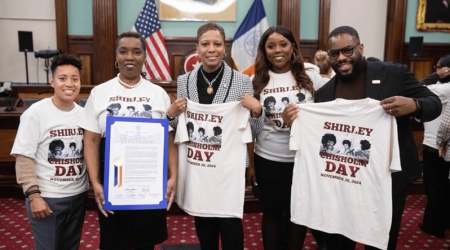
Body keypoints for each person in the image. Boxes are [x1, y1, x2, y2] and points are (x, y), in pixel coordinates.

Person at [283, 25, 441, 250]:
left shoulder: (394, 74)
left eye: (347, 50)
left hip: (387, 178)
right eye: (334, 54)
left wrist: (413, 105)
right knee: (339, 237)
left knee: (382, 240)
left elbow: (434, 104)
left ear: (361, 47)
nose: (341, 58)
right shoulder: (325, 93)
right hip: (342, 180)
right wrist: (295, 121)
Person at [166, 22, 263, 250]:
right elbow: (179, 126)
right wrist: (170, 115)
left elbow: (253, 131)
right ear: (196, 48)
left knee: (231, 227)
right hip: (199, 166)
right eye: (205, 44)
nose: (212, 49)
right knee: (204, 225)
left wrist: (257, 111)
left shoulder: (242, 81)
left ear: (225, 48)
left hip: (230, 167)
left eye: (217, 44)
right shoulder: (184, 81)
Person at [77, 31, 177, 250]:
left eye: (136, 51)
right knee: (114, 242)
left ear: (144, 58)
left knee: (145, 242)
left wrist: (173, 176)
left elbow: (168, 138)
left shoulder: (158, 93)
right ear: (116, 57)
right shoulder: (99, 92)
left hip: (148, 178)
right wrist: (95, 182)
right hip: (114, 182)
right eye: (124, 51)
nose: (130, 56)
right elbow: (91, 142)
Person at [241, 26, 323, 250]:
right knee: (271, 213)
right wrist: (251, 166)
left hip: (302, 160)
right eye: (271, 46)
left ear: (293, 48)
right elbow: (249, 128)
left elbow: (326, 116)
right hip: (268, 159)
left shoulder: (311, 76)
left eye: (283, 44)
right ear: (264, 50)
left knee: (298, 213)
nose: (277, 50)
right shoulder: (255, 81)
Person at [11, 54, 88, 250]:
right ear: (52, 82)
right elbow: (24, 157)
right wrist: (34, 196)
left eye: (75, 79)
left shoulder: (84, 115)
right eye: (62, 78)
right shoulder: (35, 114)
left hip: (78, 196)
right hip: (47, 198)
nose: (69, 84)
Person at [419, 54, 450, 239]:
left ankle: (433, 225)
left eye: (438, 66)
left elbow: (419, 89)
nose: (435, 70)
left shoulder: (446, 88)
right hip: (436, 142)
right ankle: (443, 221)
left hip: (436, 144)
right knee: (441, 186)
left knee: (434, 187)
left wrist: (436, 75)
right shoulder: (443, 86)